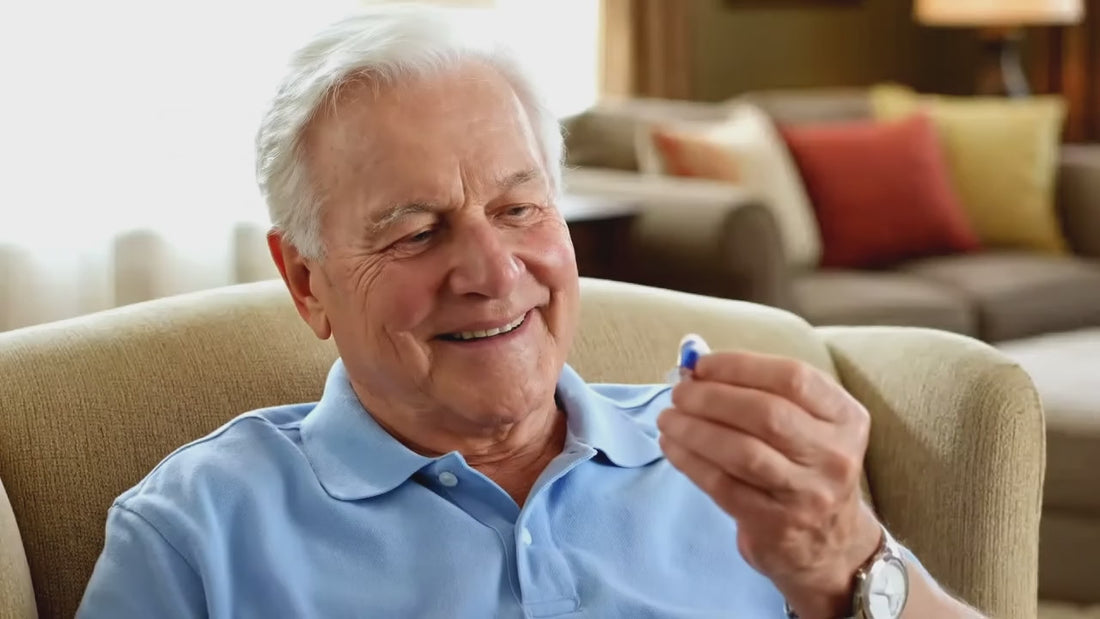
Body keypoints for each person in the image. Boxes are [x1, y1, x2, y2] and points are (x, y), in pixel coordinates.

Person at [78, 4, 985, 618]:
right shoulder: (196, 532)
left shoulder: (736, 468)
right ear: (307, 282)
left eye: (519, 208)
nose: (492, 270)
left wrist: (850, 561)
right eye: (416, 232)